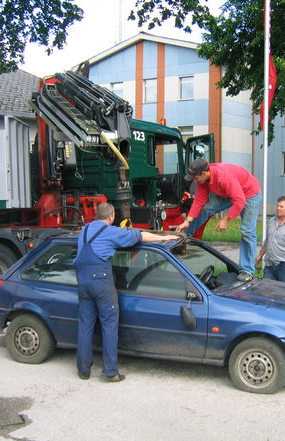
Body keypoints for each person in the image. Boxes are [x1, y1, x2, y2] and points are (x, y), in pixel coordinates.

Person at [74, 203, 179, 382]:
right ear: (111, 216)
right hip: (101, 281)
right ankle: (110, 371)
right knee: (109, 324)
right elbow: (141, 236)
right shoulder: (110, 232)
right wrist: (167, 236)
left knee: (85, 325)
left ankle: (83, 370)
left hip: (82, 281)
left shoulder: (85, 229)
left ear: (96, 215)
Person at [175, 159, 261, 281]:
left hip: (249, 193)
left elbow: (240, 200)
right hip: (228, 193)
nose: (194, 181)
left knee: (247, 231)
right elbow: (199, 201)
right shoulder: (203, 180)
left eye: (195, 178)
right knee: (206, 209)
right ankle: (183, 236)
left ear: (204, 174)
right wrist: (187, 221)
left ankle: (246, 271)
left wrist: (226, 219)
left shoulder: (224, 177)